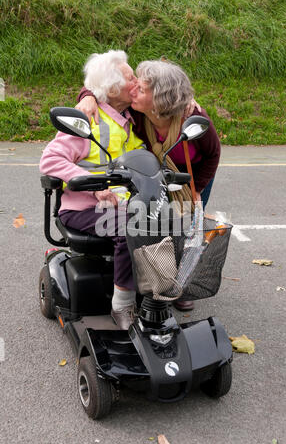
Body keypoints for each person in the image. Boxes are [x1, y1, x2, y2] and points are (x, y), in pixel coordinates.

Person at [76, 59, 221, 312]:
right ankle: (154, 279)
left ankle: (181, 286)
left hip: (191, 178)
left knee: (186, 229)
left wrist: (197, 189)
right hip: (154, 176)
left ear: (160, 100)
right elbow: (101, 86)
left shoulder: (192, 117)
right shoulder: (138, 115)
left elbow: (213, 155)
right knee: (158, 224)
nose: (134, 90)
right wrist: (86, 95)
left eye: (141, 90)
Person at [40, 50, 145, 330]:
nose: (137, 81)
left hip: (120, 206)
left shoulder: (126, 122)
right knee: (131, 227)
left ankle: (155, 294)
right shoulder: (88, 120)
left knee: (164, 220)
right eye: (130, 77)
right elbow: (49, 160)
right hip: (83, 208)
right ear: (111, 89)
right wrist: (94, 186)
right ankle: (122, 307)